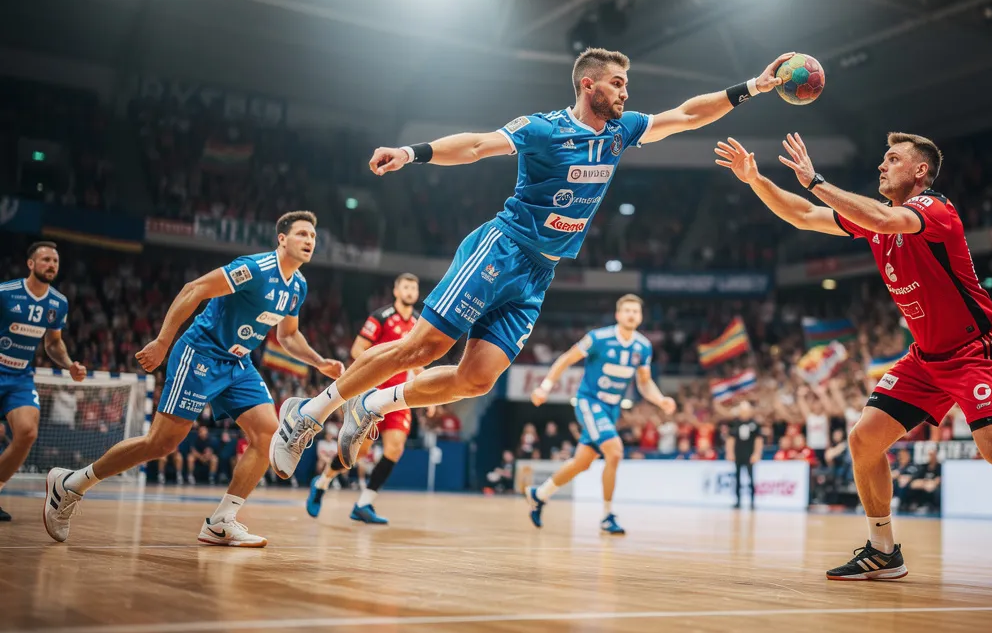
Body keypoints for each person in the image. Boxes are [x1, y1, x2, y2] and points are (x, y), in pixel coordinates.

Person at [270, 48, 798, 479]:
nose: (626, 92)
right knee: (425, 346)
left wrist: (753, 85)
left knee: (477, 380)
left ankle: (375, 406)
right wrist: (414, 153)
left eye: (626, 85)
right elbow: (477, 145)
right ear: (589, 85)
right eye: (617, 83)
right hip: (501, 248)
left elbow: (686, 115)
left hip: (539, 274)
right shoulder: (543, 130)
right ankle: (309, 414)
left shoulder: (622, 130)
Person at [714, 132, 992, 594]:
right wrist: (756, 180)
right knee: (865, 441)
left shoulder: (935, 211)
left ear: (919, 171)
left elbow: (883, 217)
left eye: (893, 159)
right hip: (926, 357)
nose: (882, 166)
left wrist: (816, 180)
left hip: (975, 351)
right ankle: (883, 550)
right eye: (883, 159)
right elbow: (804, 215)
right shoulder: (876, 222)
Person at [43, 212, 344, 547]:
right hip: (199, 353)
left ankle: (221, 521)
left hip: (237, 362)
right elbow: (195, 289)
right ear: (282, 239)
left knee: (267, 433)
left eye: (314, 237)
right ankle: (71, 484)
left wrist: (318, 362)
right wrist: (162, 341)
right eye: (302, 234)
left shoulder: (298, 286)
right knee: (161, 443)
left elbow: (288, 336)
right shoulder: (256, 268)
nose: (309, 241)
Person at [524, 294, 676, 535]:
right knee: (614, 451)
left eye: (635, 312)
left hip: (611, 409)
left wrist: (660, 400)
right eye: (627, 311)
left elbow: (644, 383)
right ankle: (607, 516)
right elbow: (565, 359)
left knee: (581, 463)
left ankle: (539, 494)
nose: (631, 315)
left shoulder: (642, 346)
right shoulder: (598, 338)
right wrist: (545, 386)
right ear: (618, 315)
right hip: (589, 402)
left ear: (641, 317)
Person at [307, 273, 422, 524]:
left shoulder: (418, 324)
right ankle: (323, 481)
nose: (410, 291)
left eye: (414, 287)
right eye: (406, 286)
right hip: (374, 393)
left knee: (395, 448)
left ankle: (364, 503)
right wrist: (387, 359)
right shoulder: (381, 317)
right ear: (396, 290)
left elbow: (419, 362)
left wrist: (430, 395)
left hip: (401, 396)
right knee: (358, 452)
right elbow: (357, 350)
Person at [0, 241, 85, 522]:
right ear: (31, 264)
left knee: (27, 432)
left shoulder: (58, 303)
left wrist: (69, 364)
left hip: (20, 376)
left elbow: (53, 344)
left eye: (56, 261)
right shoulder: (5, 293)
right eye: (46, 259)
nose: (51, 265)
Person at [726, 401, 763, 509]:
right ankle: (737, 501)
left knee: (751, 478)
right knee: (737, 478)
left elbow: (758, 440)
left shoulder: (754, 424)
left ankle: (752, 501)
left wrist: (757, 453)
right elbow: (730, 439)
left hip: (749, 455)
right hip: (738, 454)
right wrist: (730, 453)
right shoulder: (735, 423)